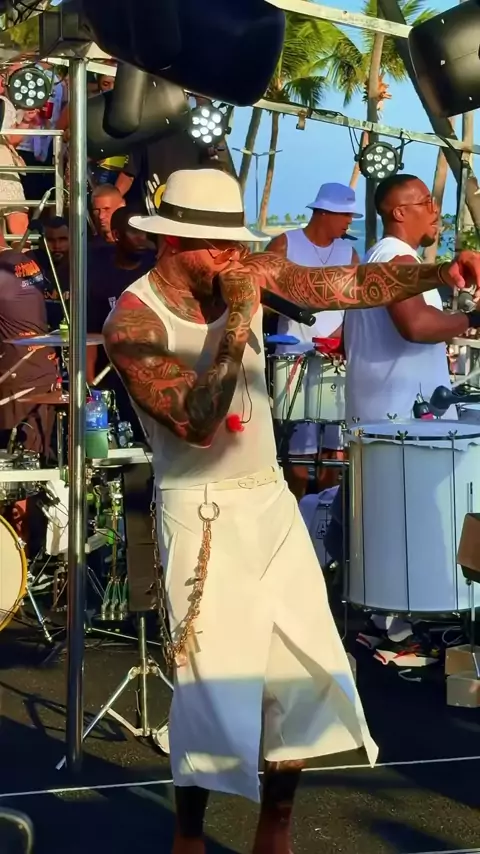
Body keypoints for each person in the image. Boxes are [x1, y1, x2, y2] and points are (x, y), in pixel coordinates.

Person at [103, 168, 479, 854]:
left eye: (235, 245)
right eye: (216, 247)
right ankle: (190, 835)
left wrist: (439, 270)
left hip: (269, 498)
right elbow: (196, 422)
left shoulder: (241, 271)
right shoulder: (132, 320)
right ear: (173, 242)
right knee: (210, 683)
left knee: (301, 673)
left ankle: (274, 829)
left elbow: (341, 285)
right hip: (200, 510)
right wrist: (240, 318)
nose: (231, 257)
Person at [328, 173, 478, 667]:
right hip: (399, 420)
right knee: (405, 525)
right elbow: (415, 325)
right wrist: (472, 322)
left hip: (389, 414)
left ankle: (388, 623)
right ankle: (395, 628)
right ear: (399, 212)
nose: (436, 210)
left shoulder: (383, 259)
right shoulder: (396, 258)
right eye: (427, 202)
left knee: (387, 527)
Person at [266, 182, 360, 499]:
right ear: (324, 213)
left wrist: (341, 334)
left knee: (335, 448)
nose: (349, 221)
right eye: (345, 215)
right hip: (293, 356)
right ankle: (294, 512)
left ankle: (324, 513)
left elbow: (359, 305)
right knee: (297, 448)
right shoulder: (284, 243)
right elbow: (260, 295)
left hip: (336, 357)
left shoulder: (349, 253)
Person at [87, 206, 155, 435]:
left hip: (157, 374)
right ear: (116, 235)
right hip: (115, 376)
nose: (142, 238)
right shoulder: (99, 277)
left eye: (145, 232)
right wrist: (89, 386)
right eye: (135, 232)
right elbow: (91, 334)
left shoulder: (156, 270)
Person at [0, 226, 57, 457]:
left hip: (16, 377)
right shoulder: (24, 261)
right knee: (37, 458)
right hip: (41, 367)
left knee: (16, 464)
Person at [35, 215, 70, 330]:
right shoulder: (31, 262)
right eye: (50, 240)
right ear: (41, 241)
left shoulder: (83, 266)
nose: (57, 246)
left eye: (63, 239)